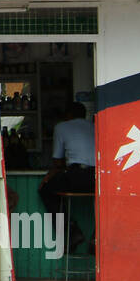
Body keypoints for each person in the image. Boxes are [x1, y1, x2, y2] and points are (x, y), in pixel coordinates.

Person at [39, 101, 96, 249]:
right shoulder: (96, 126)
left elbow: (57, 161)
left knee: (46, 190)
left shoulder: (61, 127)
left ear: (68, 115)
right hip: (97, 178)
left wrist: (50, 175)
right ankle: (97, 237)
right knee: (107, 198)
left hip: (76, 176)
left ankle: (71, 231)